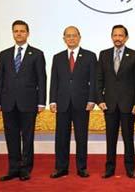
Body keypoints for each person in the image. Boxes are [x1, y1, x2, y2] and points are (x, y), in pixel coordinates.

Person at [0, 20, 46, 181]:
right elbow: (0, 80)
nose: (19, 34)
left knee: (27, 137)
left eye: (22, 31)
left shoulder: (37, 54)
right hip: (8, 103)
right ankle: (13, 169)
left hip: (29, 103)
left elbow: (41, 79)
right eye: (16, 31)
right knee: (11, 137)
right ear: (12, 33)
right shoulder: (4, 54)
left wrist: (41, 102)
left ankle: (25, 169)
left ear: (27, 33)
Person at [49, 26, 97, 178]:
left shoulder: (90, 56)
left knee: (81, 137)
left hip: (82, 103)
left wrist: (91, 99)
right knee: (61, 136)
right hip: (62, 102)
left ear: (79, 37)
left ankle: (81, 168)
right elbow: (54, 81)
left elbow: (93, 81)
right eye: (68, 36)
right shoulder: (57, 57)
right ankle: (61, 167)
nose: (71, 38)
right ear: (64, 39)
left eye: (74, 35)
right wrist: (52, 100)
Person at [97, 25, 135, 179]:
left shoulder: (134, 55)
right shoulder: (103, 55)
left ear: (126, 38)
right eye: (115, 35)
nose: (118, 38)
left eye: (121, 35)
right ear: (111, 37)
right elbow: (99, 80)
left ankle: (130, 168)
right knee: (110, 138)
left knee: (128, 138)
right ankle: (109, 168)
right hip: (108, 104)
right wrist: (100, 100)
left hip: (128, 105)